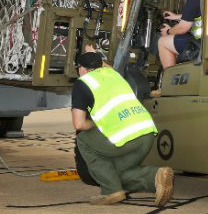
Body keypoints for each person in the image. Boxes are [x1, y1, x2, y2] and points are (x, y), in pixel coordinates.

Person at [72, 52, 174, 205]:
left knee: (83, 140)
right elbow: (103, 66)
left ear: (82, 68)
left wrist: (95, 123)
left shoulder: (83, 83)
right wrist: (95, 54)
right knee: (112, 173)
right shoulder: (114, 74)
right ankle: (155, 176)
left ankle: (111, 191)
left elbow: (79, 124)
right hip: (146, 134)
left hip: (125, 137)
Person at [157, 0, 202, 68]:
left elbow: (182, 28)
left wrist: (168, 31)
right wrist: (177, 17)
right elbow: (199, 14)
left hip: (199, 45)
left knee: (162, 42)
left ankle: (170, 76)